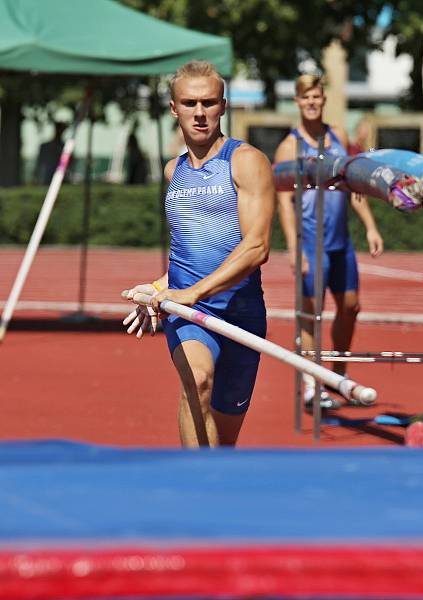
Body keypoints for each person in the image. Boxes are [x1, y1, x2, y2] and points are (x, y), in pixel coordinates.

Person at [122, 60, 276, 448]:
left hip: (242, 315)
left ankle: (215, 485)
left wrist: (194, 291)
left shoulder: (246, 162)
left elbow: (256, 247)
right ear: (174, 108)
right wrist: (161, 289)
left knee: (224, 440)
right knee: (198, 380)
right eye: (189, 103)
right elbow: (186, 251)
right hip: (190, 313)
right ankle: (194, 482)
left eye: (208, 103)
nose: (200, 113)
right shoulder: (174, 169)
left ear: (223, 106)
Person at [274, 74, 384, 409]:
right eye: (305, 97)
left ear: (323, 100)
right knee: (312, 312)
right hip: (311, 241)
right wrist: (294, 249)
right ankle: (310, 383)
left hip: (341, 241)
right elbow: (283, 201)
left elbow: (352, 185)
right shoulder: (290, 146)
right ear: (297, 101)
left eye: (316, 97)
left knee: (351, 306)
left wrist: (370, 227)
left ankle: (337, 373)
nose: (311, 102)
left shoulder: (337, 135)